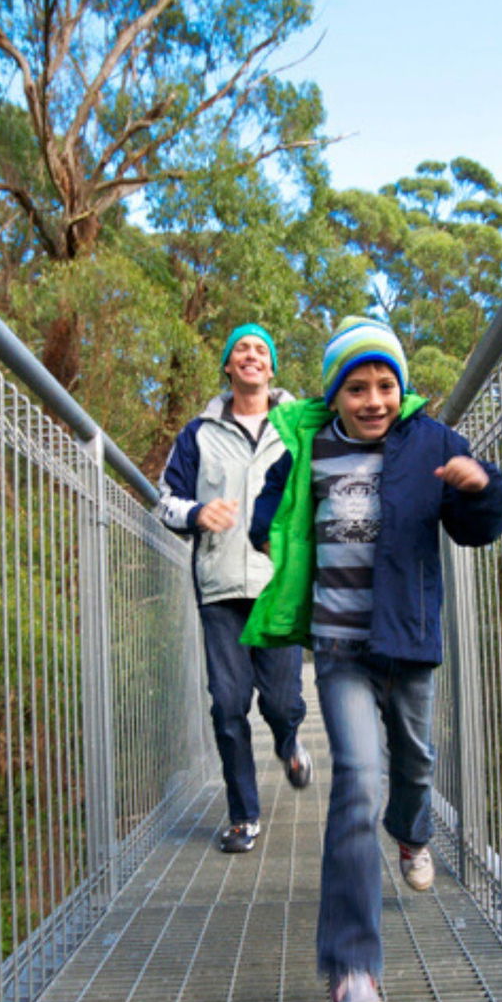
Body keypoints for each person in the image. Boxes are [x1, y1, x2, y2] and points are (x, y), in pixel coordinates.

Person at [242, 317, 502, 1002]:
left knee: (414, 766)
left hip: (410, 643)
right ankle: (352, 972)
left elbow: (481, 523)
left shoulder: (433, 442)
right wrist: (264, 524)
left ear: (402, 388)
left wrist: (478, 485)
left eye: (385, 385)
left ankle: (413, 831)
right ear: (334, 395)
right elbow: (275, 493)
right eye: (355, 387)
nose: (372, 399)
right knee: (358, 778)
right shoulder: (310, 441)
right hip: (340, 650)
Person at [156, 322, 313, 854]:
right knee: (227, 704)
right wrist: (199, 512)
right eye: (240, 348)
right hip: (220, 586)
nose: (251, 355)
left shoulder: (299, 426)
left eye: (261, 349)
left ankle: (289, 738)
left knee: (281, 700)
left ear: (271, 369)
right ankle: (244, 815)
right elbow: (165, 502)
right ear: (228, 366)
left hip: (279, 585)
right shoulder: (197, 433)